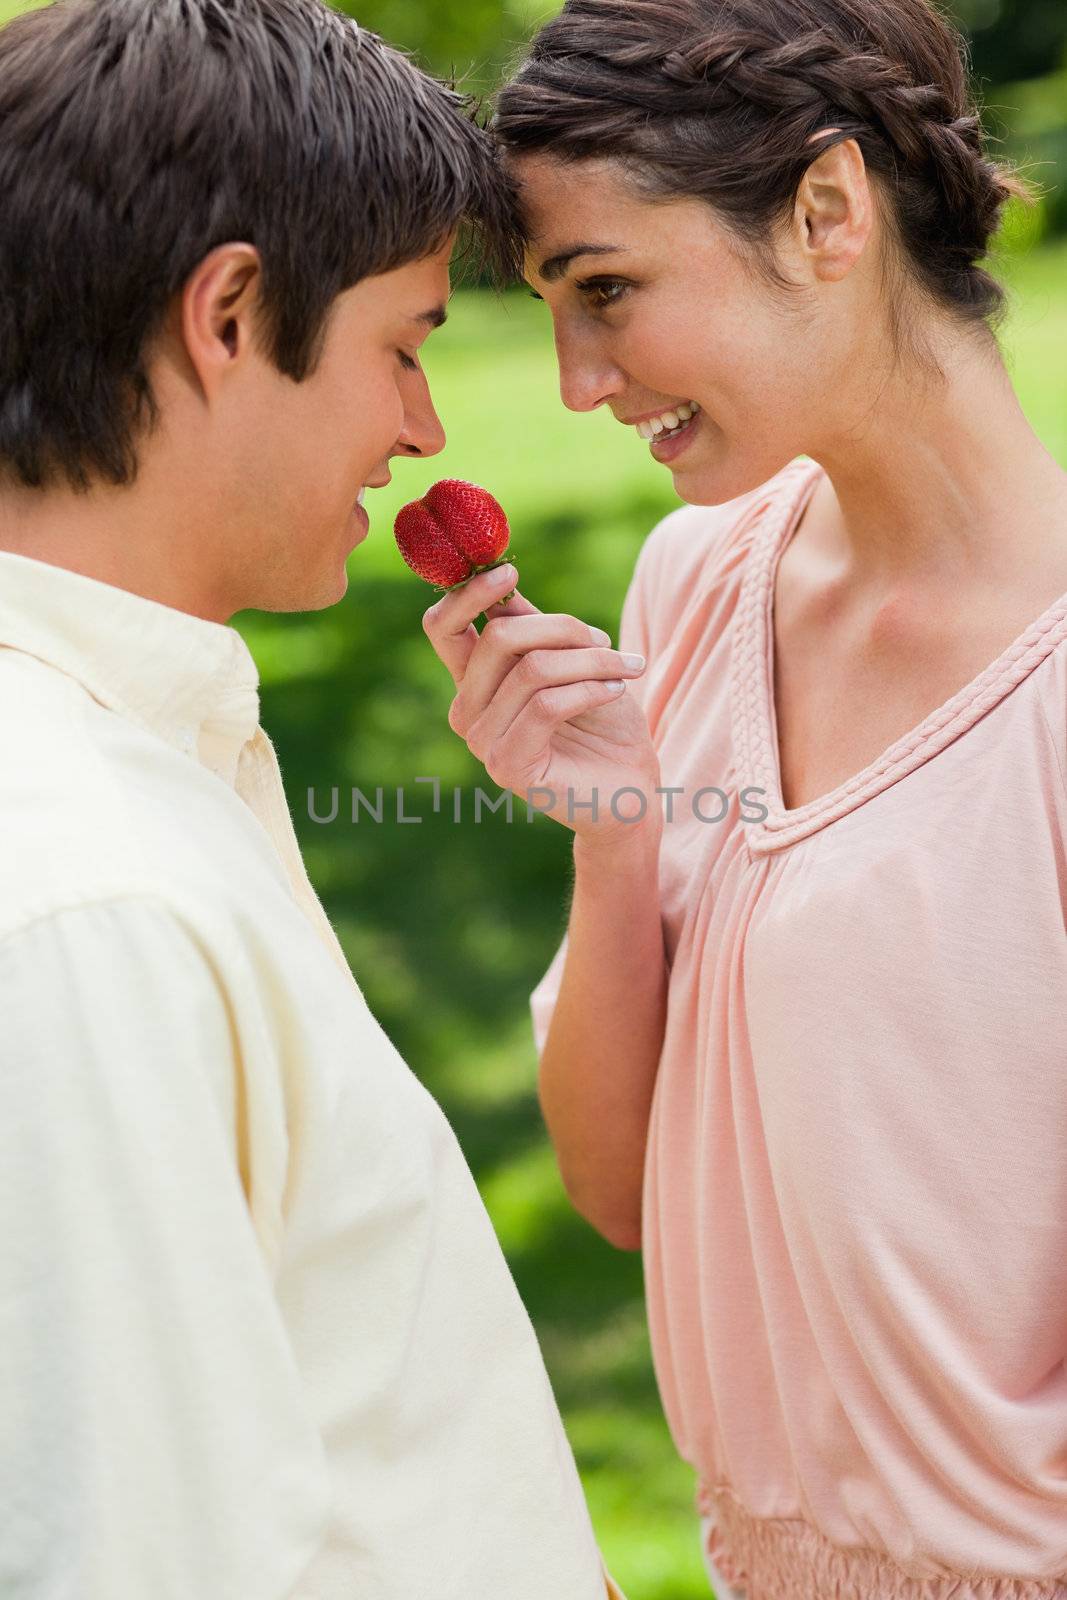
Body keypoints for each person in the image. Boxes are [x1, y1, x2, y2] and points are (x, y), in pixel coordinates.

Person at [421, 0, 1067, 1594]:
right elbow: (619, 1184)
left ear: (829, 213)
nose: (579, 381)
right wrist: (615, 837)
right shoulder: (698, 580)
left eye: (610, 292)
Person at [0, 1, 629, 1595]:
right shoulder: (89, 899)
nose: (423, 427)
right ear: (229, 314)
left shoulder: (139, 770)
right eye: (404, 346)